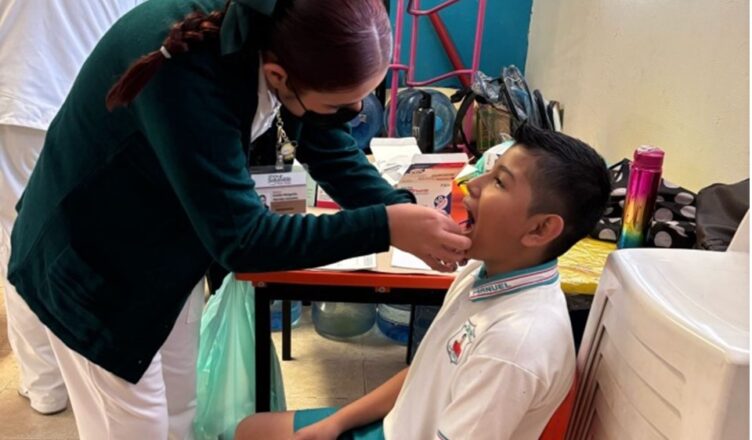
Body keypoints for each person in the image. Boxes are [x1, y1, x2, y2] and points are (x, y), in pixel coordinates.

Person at [6, 0, 471, 438]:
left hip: (162, 250)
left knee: (180, 405)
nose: (351, 115)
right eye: (339, 105)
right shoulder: (187, 73)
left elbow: (327, 146)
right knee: (134, 424)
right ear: (277, 75)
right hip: (91, 267)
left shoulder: (278, 38)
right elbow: (244, 240)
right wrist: (386, 226)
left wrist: (397, 207)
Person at [235, 123, 612, 440]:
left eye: (499, 181)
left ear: (541, 229)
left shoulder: (514, 345)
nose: (471, 185)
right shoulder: (483, 271)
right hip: (395, 424)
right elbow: (425, 372)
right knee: (249, 430)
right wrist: (337, 422)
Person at [0, 0, 143, 415]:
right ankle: (98, 386)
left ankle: (46, 385)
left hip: (20, 94)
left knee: (20, 242)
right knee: (96, 247)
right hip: (99, 99)